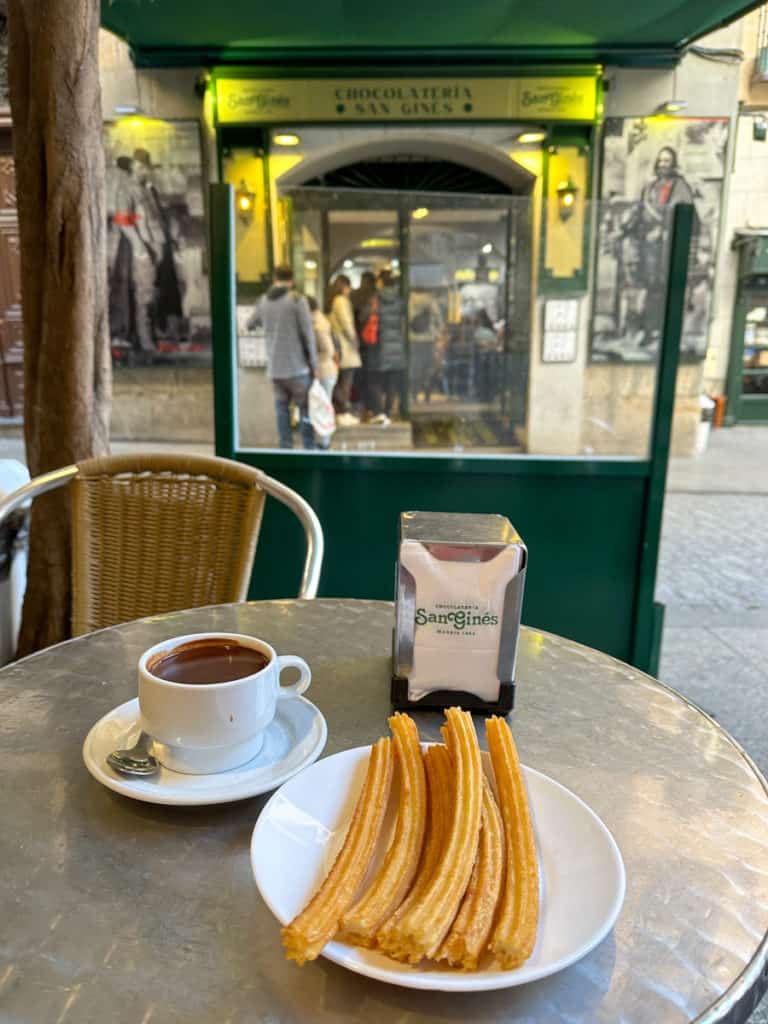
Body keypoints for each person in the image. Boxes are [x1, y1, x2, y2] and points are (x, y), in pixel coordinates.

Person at [617, 146, 698, 348]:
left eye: (667, 160)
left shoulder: (680, 187)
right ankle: (645, 328)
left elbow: (684, 214)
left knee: (660, 288)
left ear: (673, 163)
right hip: (648, 247)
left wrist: (663, 229)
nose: (663, 164)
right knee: (646, 286)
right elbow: (640, 210)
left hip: (667, 248)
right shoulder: (650, 187)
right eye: (660, 160)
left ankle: (657, 330)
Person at [249, 265, 317, 450]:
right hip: (297, 368)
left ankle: (285, 447)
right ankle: (309, 448)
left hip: (275, 369)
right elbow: (307, 334)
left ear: (274, 278)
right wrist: (314, 363)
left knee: (281, 409)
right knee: (304, 409)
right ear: (292, 280)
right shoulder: (296, 300)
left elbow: (250, 324)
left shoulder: (263, 301)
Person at [364, 269, 406, 426]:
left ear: (381, 282)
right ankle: (388, 413)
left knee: (375, 381)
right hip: (397, 347)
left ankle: (379, 412)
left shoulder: (375, 300)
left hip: (378, 346)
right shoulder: (401, 301)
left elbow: (365, 317)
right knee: (392, 383)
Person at [327, 274, 361, 427]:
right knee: (345, 382)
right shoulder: (341, 301)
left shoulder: (334, 301)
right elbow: (347, 325)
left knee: (342, 381)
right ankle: (343, 412)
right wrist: (355, 340)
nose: (350, 290)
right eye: (348, 287)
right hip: (346, 347)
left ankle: (341, 411)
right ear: (344, 287)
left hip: (340, 346)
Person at [307, 296, 337, 449]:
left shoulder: (318, 325)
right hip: (326, 370)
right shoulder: (319, 321)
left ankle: (324, 443)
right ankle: (323, 442)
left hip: (324, 371)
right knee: (322, 407)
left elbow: (328, 350)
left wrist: (313, 362)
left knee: (323, 408)